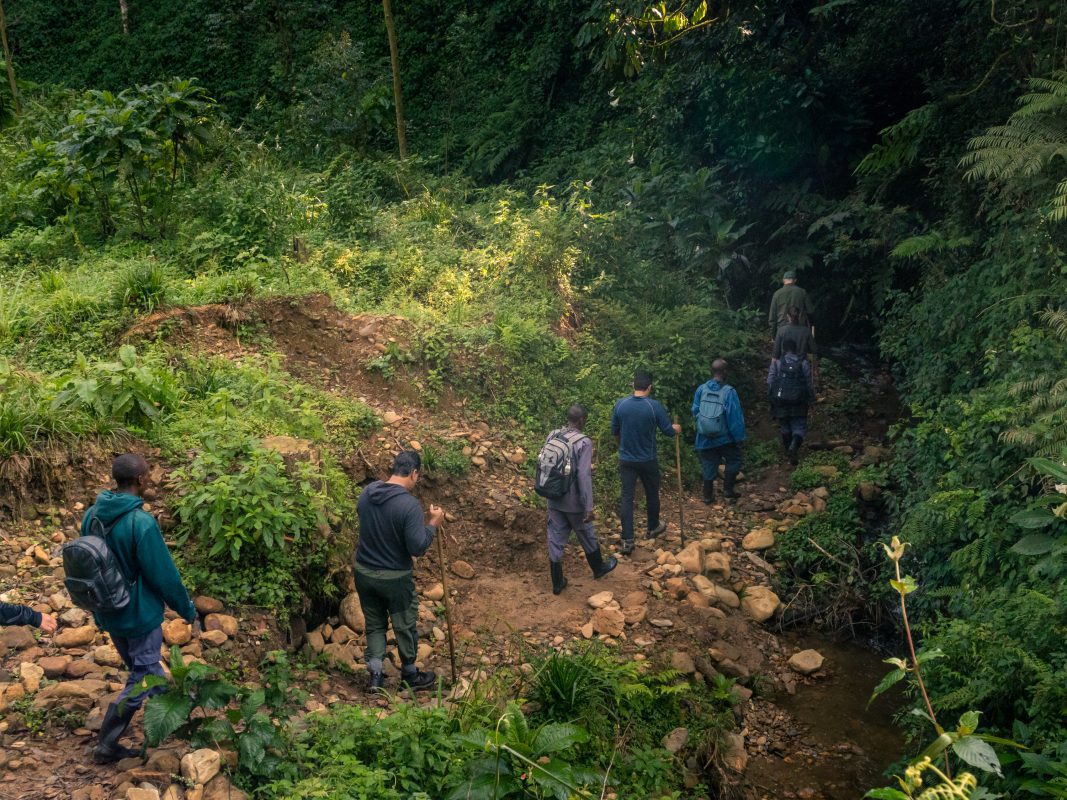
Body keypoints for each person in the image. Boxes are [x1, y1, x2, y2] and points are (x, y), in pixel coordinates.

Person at [81, 453, 198, 765]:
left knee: (146, 669)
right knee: (143, 675)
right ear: (141, 480)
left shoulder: (92, 515)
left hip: (107, 610)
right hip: (139, 614)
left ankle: (177, 719)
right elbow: (164, 575)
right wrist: (186, 609)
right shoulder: (140, 522)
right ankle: (107, 741)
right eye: (148, 475)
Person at [354, 450, 443, 692]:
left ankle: (375, 676)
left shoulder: (367, 493)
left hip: (364, 571)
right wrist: (433, 523)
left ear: (393, 469)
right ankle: (410, 675)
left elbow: (365, 519)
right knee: (404, 624)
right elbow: (417, 547)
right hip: (394, 577)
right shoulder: (408, 505)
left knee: (374, 624)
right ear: (414, 473)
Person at [543, 404, 617, 595]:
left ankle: (557, 582)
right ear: (582, 419)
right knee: (586, 533)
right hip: (574, 502)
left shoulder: (553, 435)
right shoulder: (584, 442)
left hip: (554, 497)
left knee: (555, 537)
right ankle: (599, 568)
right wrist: (588, 507)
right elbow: (584, 476)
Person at [611, 369, 681, 555]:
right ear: (649, 387)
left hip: (626, 459)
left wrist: (621, 447)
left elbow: (615, 432)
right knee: (652, 493)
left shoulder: (620, 405)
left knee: (627, 497)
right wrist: (675, 429)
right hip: (648, 459)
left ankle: (627, 539)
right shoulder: (654, 406)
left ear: (633, 385)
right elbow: (668, 431)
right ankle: (652, 527)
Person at [692, 359, 747, 504]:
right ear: (725, 372)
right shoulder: (729, 392)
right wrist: (739, 438)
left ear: (713, 371)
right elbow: (734, 418)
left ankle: (707, 495)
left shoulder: (701, 389)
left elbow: (695, 410)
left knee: (708, 463)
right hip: (725, 438)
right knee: (734, 459)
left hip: (704, 437)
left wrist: (704, 426)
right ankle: (728, 491)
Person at [768, 339, 815, 464]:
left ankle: (788, 451)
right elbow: (808, 384)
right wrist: (811, 399)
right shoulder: (803, 363)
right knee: (799, 426)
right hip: (799, 401)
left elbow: (770, 381)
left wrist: (772, 399)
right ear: (796, 350)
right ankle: (794, 447)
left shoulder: (777, 363)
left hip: (780, 400)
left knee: (784, 426)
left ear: (783, 349)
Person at [768, 270, 815, 338]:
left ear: (783, 280)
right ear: (795, 280)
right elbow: (811, 311)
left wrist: (773, 335)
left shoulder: (777, 294)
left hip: (782, 329)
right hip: (800, 329)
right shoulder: (802, 292)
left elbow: (772, 317)